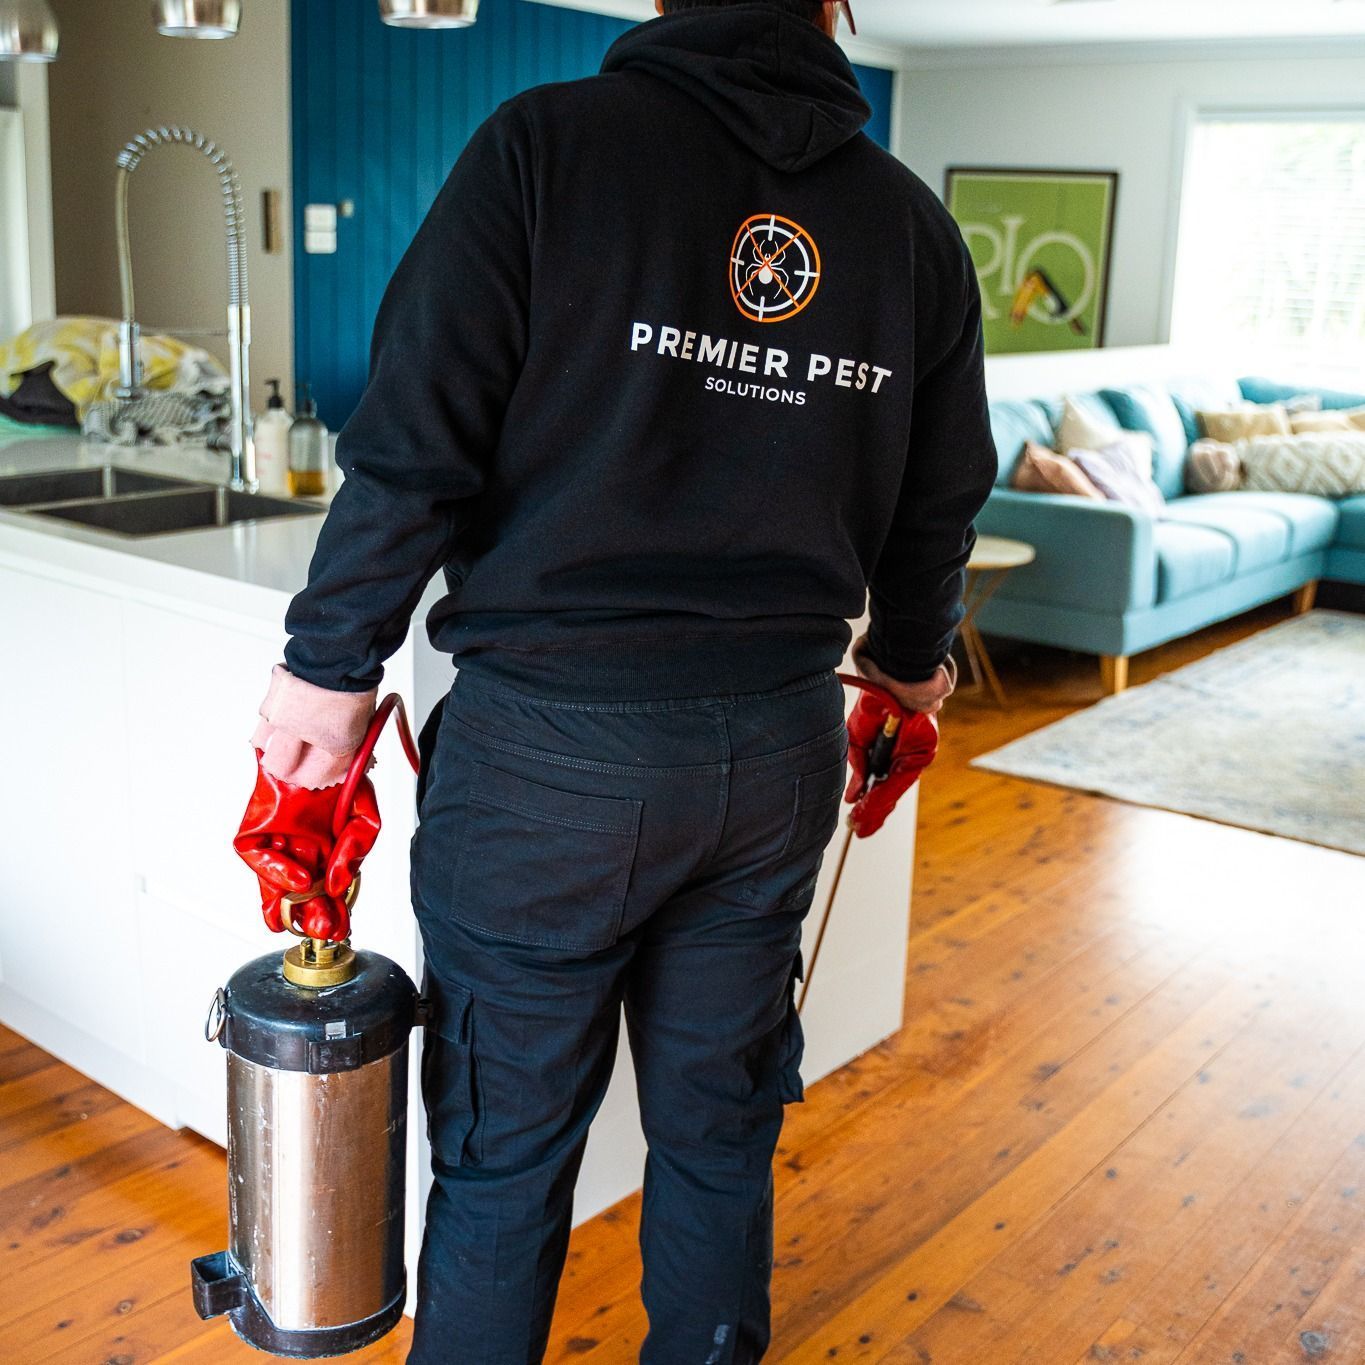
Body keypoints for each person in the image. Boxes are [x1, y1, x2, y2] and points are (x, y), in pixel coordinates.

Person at [233, 0, 998, 1359]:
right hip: (771, 751)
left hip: (548, 767)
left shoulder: (546, 149)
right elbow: (936, 508)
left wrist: (324, 666)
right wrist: (902, 674)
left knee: (504, 1161)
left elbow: (412, 446)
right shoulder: (908, 230)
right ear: (836, 10)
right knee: (719, 1134)